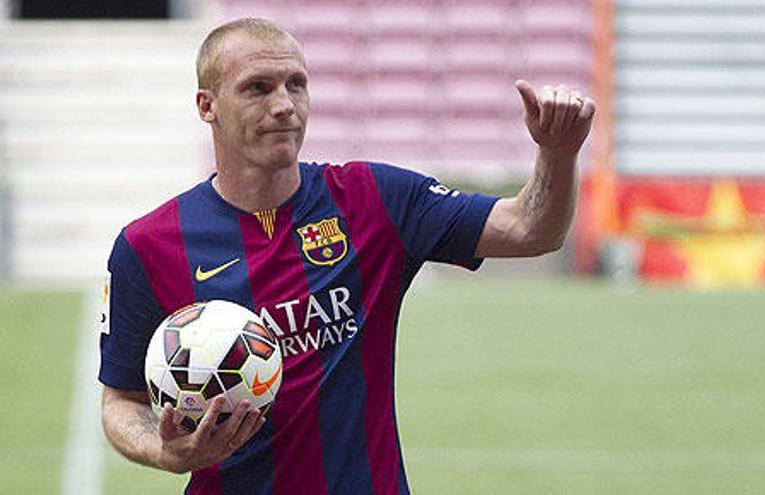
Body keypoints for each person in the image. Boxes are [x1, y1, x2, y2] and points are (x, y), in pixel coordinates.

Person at [99, 17, 594, 495]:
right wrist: (168, 453)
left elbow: (529, 229)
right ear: (207, 106)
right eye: (258, 88)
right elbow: (121, 402)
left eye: (297, 84)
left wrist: (558, 152)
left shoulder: (375, 199)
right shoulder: (148, 246)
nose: (285, 106)